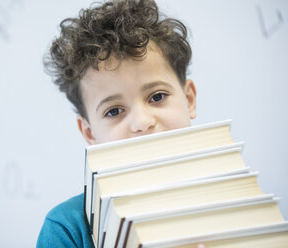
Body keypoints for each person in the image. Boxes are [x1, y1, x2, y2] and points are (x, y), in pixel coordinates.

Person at [36, 0, 204, 247]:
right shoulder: (67, 228)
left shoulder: (237, 198)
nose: (142, 122)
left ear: (188, 99)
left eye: (157, 97)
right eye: (114, 111)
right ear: (89, 132)